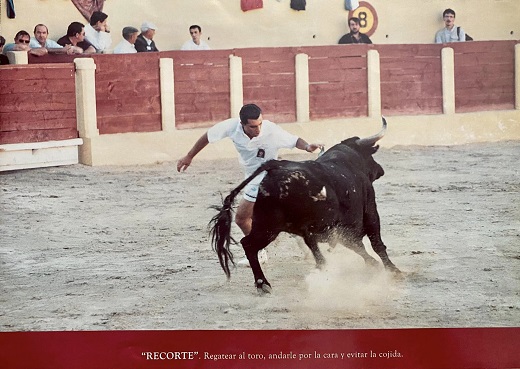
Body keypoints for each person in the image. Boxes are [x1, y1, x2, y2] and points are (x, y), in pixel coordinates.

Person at [177, 104, 322, 265]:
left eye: (260, 124)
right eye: (253, 126)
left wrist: (308, 147)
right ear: (242, 124)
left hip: (269, 177)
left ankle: (259, 252)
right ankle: (296, 239)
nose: (258, 129)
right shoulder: (231, 127)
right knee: (270, 216)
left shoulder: (271, 130)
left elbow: (295, 140)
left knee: (241, 218)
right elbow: (208, 136)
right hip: (252, 177)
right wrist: (189, 156)